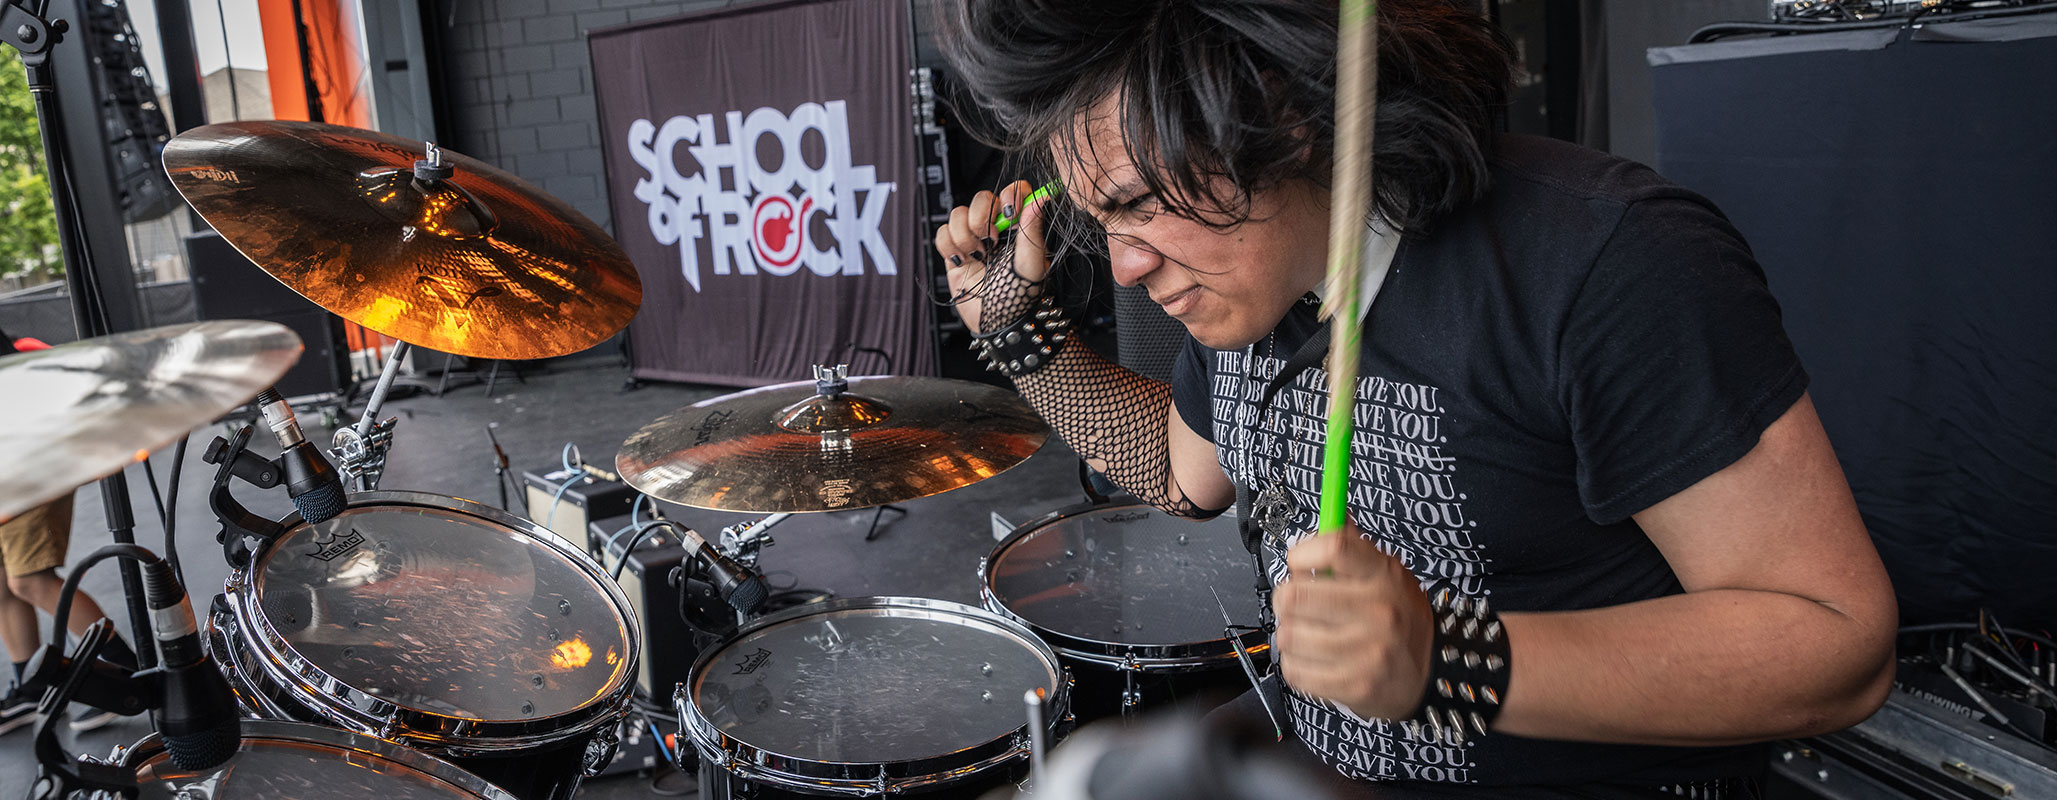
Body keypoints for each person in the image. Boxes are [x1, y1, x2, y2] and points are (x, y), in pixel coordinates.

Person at [931, 1, 1897, 797]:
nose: (1130, 265)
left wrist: (1452, 661)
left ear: (1283, 119)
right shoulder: (1247, 284)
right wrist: (1027, 343)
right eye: (1103, 220)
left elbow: (1833, 642)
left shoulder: (1607, 260)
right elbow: (1186, 475)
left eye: (1143, 205)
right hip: (1310, 761)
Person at [0, 328, 133, 734]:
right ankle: (31, 688)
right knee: (4, 587)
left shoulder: (22, 357)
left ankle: (123, 675)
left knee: (31, 581)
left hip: (31, 459)